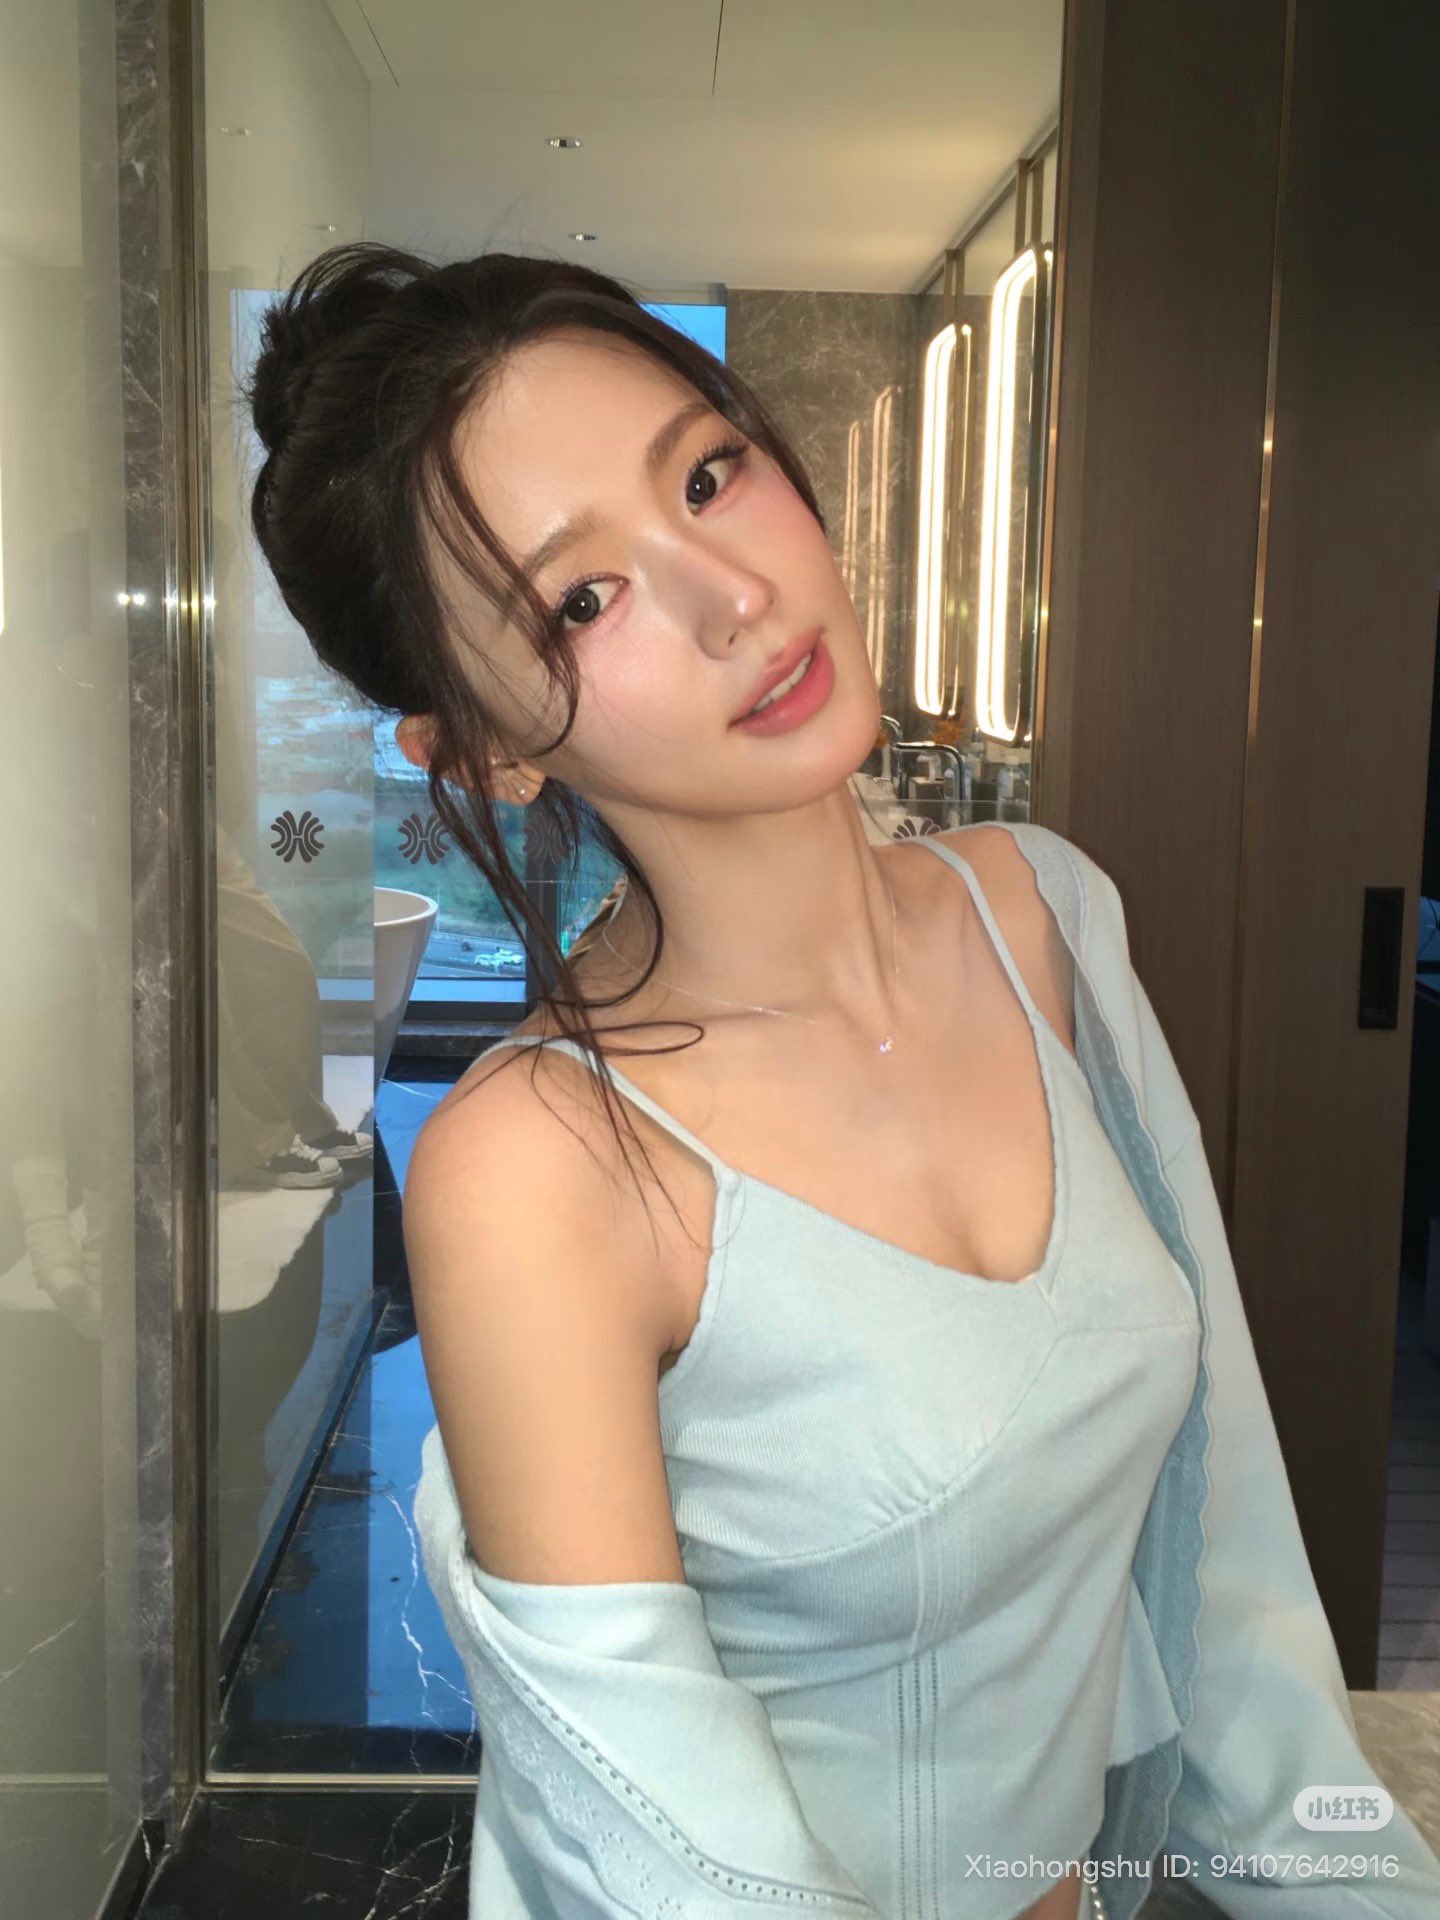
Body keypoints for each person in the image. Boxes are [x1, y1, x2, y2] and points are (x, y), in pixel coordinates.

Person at [243, 242, 1440, 1920]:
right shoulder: (539, 1165)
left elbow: (1219, 1554)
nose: (733, 593)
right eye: (582, 599)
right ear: (486, 747)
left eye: (707, 475)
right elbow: (667, 1858)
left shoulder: (1044, 913)